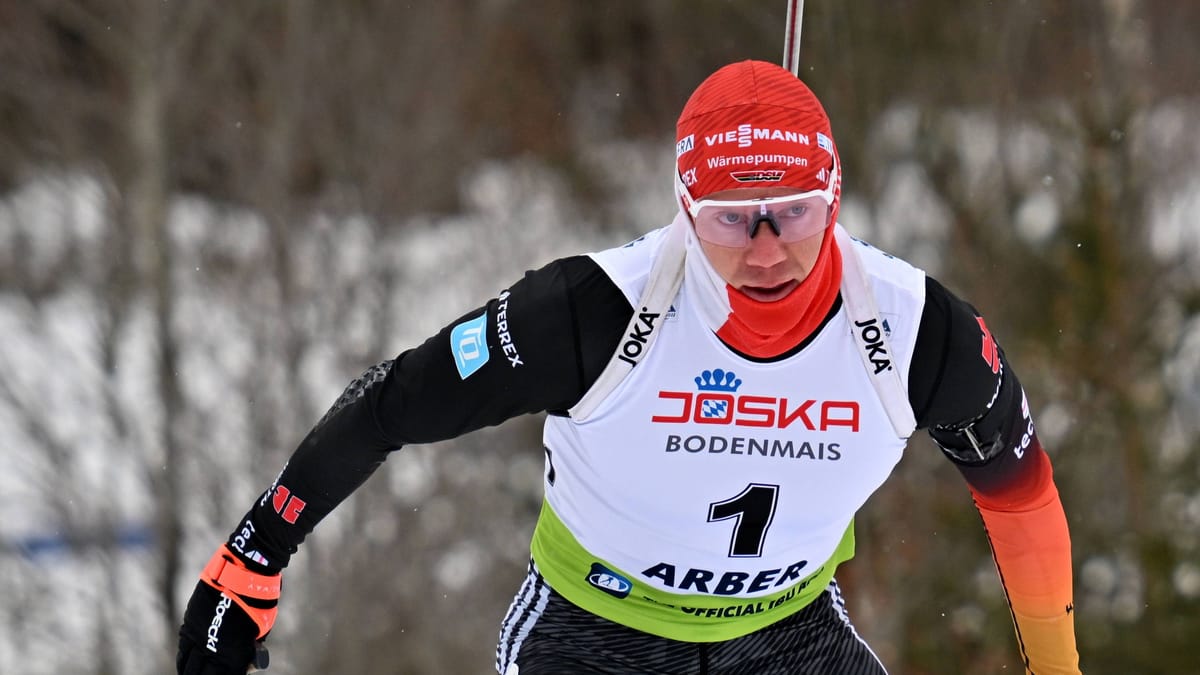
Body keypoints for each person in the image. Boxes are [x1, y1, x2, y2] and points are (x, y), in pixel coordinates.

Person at [177, 60, 1082, 674]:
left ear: (835, 197)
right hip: (591, 631)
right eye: (731, 217)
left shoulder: (919, 333)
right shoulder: (594, 312)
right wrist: (249, 559)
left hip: (786, 633)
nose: (766, 249)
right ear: (683, 209)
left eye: (795, 213)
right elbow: (391, 404)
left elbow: (1021, 494)